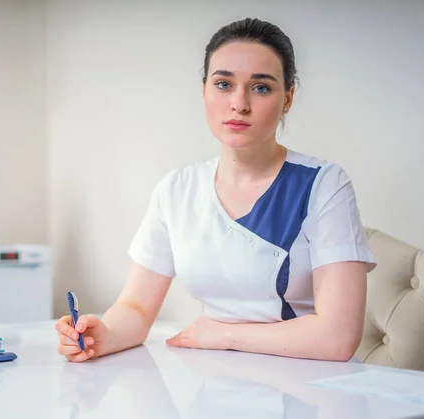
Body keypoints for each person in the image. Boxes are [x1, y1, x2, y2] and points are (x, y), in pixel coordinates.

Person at [55, 17, 376, 363]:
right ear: (204, 90)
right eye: (224, 84)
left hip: (309, 388)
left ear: (288, 98)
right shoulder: (176, 191)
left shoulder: (323, 184)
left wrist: (221, 334)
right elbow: (135, 307)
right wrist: (105, 335)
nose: (239, 103)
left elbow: (338, 338)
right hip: (216, 379)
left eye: (261, 87)